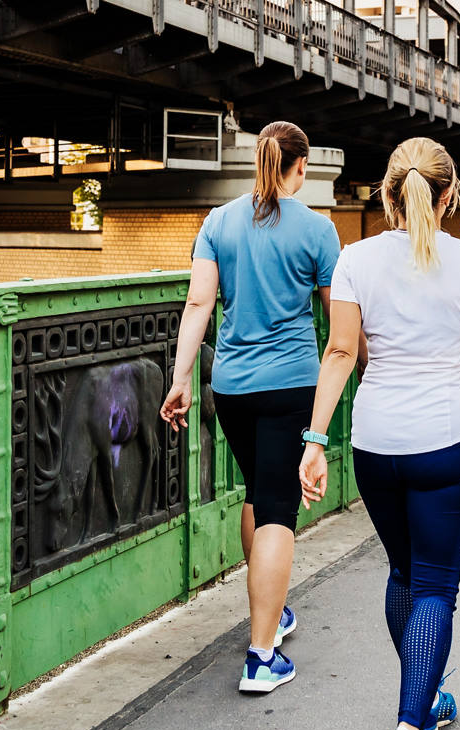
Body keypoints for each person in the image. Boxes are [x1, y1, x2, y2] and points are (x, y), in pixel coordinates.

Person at [298, 137, 460, 730]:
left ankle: (425, 697)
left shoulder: (354, 259)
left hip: (376, 442)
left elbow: (339, 350)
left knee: (403, 574)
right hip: (445, 438)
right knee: (438, 586)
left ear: (388, 194)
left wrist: (315, 438)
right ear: (449, 196)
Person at [160, 121, 341, 694]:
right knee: (280, 511)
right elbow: (340, 325)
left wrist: (180, 376)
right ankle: (262, 655)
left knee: (259, 495)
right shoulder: (318, 231)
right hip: (291, 385)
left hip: (231, 388)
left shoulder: (219, 221)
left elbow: (198, 303)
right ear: (301, 166)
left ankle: (272, 612)